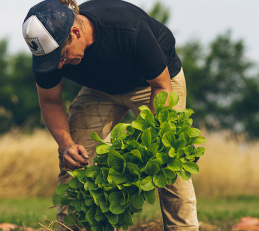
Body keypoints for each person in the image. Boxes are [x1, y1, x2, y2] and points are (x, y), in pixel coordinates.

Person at [21, 0, 199, 230]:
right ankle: (70, 228)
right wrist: (66, 145)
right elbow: (50, 101)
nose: (58, 66)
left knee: (166, 160)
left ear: (76, 32)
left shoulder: (127, 28)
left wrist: (151, 138)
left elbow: (161, 85)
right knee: (74, 161)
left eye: (62, 57)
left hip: (153, 83)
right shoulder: (48, 57)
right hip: (100, 89)